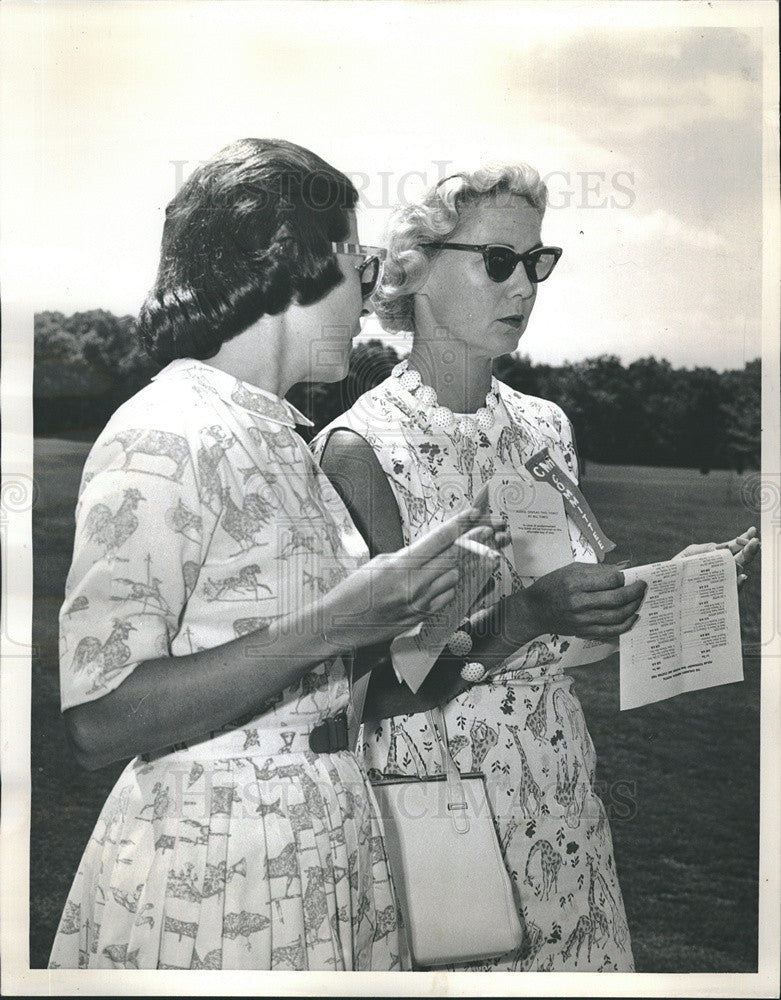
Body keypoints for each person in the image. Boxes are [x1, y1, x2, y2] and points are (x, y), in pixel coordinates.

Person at [48, 139, 503, 971]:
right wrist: (334, 622)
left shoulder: (283, 434)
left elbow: (313, 682)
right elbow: (96, 720)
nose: (369, 303)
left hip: (323, 854)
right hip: (216, 877)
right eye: (358, 265)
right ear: (293, 263)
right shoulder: (165, 431)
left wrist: (423, 611)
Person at [314, 164, 759, 971]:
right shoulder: (358, 450)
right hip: (432, 806)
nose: (523, 284)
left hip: (558, 792)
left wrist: (668, 593)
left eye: (535, 262)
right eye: (496, 261)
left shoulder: (543, 426)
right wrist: (528, 615)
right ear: (411, 268)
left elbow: (569, 641)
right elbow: (374, 690)